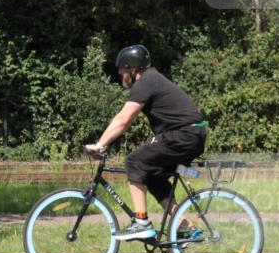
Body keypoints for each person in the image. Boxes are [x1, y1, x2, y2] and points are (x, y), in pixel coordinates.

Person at [84, 44, 208, 240]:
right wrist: (108, 142)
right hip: (189, 135)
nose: (119, 73)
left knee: (135, 161)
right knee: (151, 175)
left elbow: (123, 120)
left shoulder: (146, 82)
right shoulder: (152, 79)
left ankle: (141, 222)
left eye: (122, 69)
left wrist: (100, 144)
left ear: (132, 68)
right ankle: (183, 224)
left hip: (184, 135)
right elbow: (124, 123)